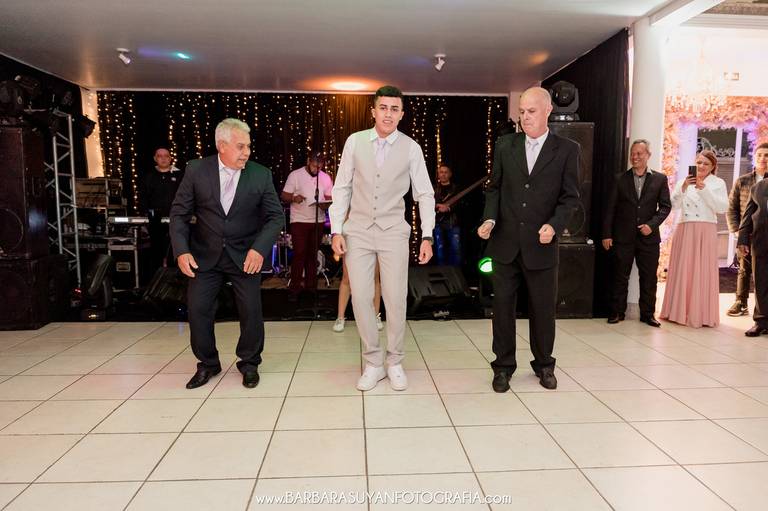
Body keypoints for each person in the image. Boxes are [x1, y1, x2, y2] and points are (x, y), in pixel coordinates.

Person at [329, 85, 435, 392]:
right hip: (358, 231)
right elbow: (342, 187)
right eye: (383, 108)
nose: (388, 114)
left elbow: (425, 193)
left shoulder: (411, 148)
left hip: (393, 232)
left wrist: (427, 235)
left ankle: (395, 361)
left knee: (395, 297)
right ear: (373, 111)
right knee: (361, 296)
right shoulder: (355, 141)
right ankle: (373, 362)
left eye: (394, 109)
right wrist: (336, 229)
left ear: (402, 114)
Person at [477, 86, 580, 391]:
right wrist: (489, 218)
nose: (525, 117)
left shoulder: (567, 149)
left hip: (541, 245)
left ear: (548, 110)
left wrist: (554, 225)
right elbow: (494, 188)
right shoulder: (505, 145)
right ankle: (503, 367)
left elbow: (570, 198)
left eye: (531, 111)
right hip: (505, 244)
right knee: (502, 310)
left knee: (543, 310)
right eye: (521, 112)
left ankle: (544, 364)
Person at [170, 118, 284, 389]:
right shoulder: (197, 170)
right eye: (240, 146)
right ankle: (208, 363)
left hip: (245, 255)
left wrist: (259, 249)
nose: (247, 152)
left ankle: (249, 363)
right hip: (205, 254)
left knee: (251, 311)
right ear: (222, 146)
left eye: (249, 146)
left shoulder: (260, 174)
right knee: (198, 310)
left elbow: (276, 217)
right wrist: (182, 251)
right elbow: (179, 214)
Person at [602, 140, 671, 327]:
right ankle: (617, 312)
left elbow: (665, 207)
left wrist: (652, 225)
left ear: (648, 155)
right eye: (633, 153)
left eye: (639, 153)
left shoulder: (660, 179)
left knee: (649, 277)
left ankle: (648, 314)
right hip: (622, 237)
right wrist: (607, 234)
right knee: (619, 276)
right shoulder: (620, 179)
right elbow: (610, 209)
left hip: (649, 238)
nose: (635, 157)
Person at [660, 150, 728, 328]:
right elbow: (673, 205)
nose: (701, 166)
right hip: (685, 227)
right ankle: (678, 311)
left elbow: (722, 207)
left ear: (713, 166)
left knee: (702, 270)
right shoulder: (684, 182)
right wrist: (683, 188)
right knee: (684, 268)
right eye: (699, 162)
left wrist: (703, 189)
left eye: (706, 163)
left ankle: (701, 314)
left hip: (706, 229)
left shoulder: (718, 183)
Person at [280, 151, 333, 300]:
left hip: (318, 220)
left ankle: (311, 288)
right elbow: (284, 195)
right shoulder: (295, 175)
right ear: (309, 161)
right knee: (299, 253)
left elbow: (329, 197)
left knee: (312, 254)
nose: (317, 168)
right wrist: (294, 197)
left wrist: (326, 204)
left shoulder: (325, 177)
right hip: (299, 220)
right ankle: (295, 289)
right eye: (315, 165)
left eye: (320, 166)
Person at [726, 142, 768, 316]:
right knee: (744, 269)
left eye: (767, 155)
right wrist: (737, 230)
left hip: (764, 233)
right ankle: (741, 302)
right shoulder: (742, 181)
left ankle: (762, 308)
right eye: (760, 155)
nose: (763, 158)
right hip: (746, 232)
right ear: (754, 157)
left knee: (762, 273)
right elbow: (731, 208)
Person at [139, 147, 183, 269]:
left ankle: (175, 276)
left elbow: (186, 196)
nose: (163, 159)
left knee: (175, 251)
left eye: (166, 156)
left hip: (176, 220)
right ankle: (157, 276)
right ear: (155, 158)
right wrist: (145, 213)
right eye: (160, 156)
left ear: (170, 158)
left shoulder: (180, 176)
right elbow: (143, 198)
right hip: (155, 221)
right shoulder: (149, 177)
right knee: (156, 251)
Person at [738, 174, 768, 337]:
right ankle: (761, 322)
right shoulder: (758, 187)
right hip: (761, 241)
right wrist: (742, 239)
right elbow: (748, 216)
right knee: (761, 282)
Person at [333, 257, 382, 332]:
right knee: (347, 277)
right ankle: (340, 317)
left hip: (374, 249)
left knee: (374, 276)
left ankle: (375, 316)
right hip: (351, 249)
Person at [434, 164, 462, 266]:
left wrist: (448, 208)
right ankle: (442, 272)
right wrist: (436, 206)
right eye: (441, 172)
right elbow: (428, 202)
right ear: (438, 174)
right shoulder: (433, 188)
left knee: (456, 250)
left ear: (450, 174)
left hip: (453, 222)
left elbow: (461, 203)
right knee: (440, 251)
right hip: (437, 223)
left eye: (446, 172)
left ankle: (455, 273)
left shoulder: (456, 189)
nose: (443, 174)